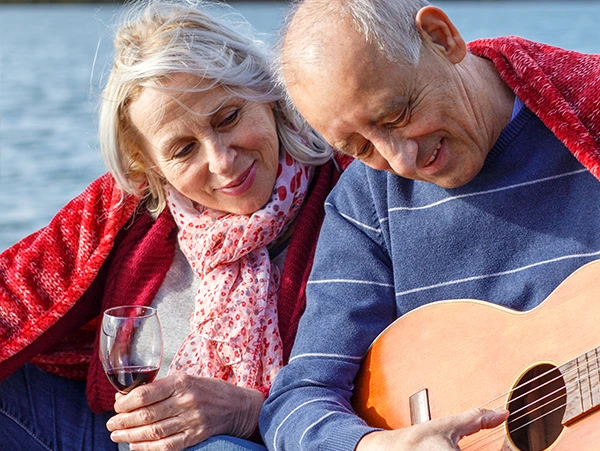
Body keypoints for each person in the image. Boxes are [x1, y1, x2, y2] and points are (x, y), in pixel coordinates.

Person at [0, 1, 351, 450]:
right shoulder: (131, 205)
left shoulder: (345, 185)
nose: (222, 162)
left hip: (264, 438)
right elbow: (17, 292)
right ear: (151, 169)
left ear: (267, 94)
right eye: (183, 150)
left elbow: (377, 388)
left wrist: (248, 410)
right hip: (116, 437)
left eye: (228, 118)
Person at [260, 0, 600, 449]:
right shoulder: (366, 199)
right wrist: (377, 446)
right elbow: (299, 398)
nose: (401, 161)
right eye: (360, 146)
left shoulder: (583, 111)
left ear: (442, 38)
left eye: (397, 115)